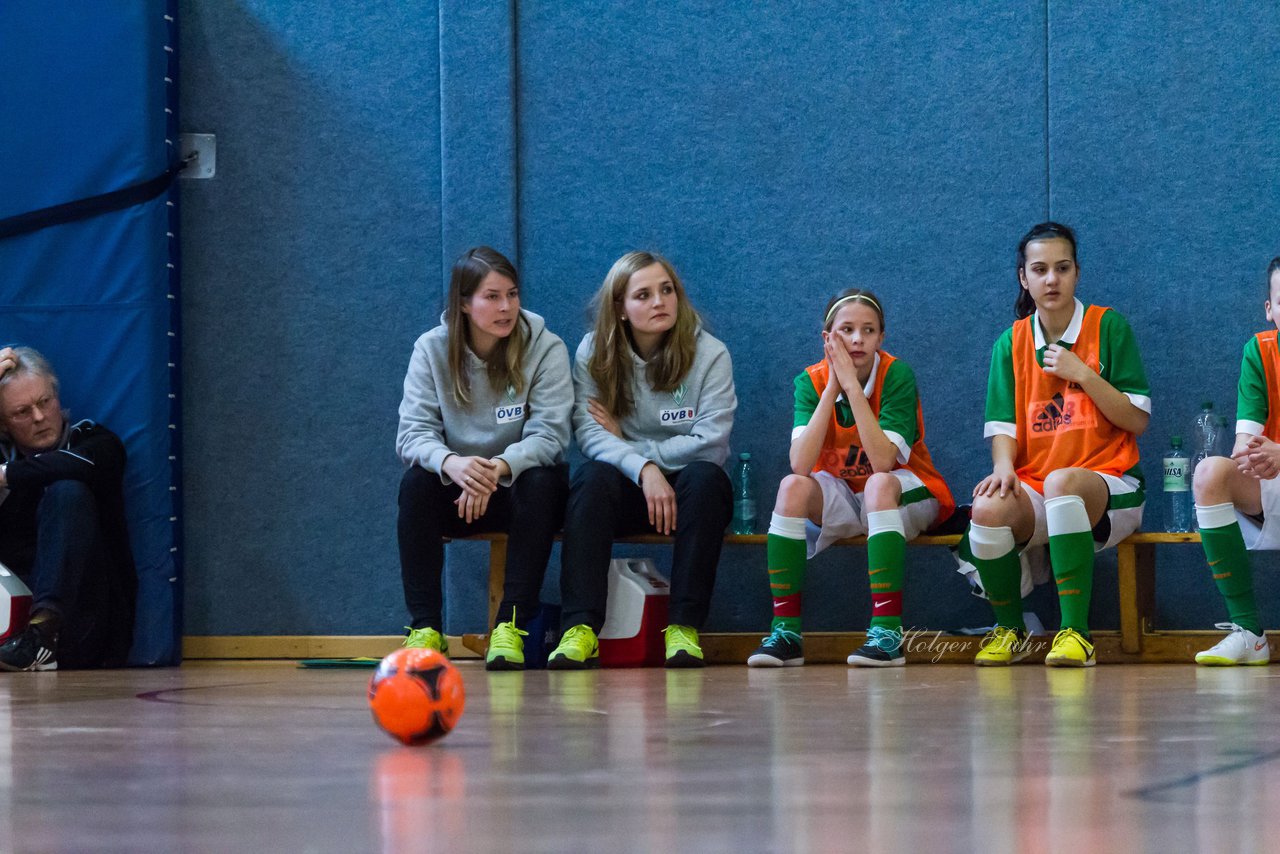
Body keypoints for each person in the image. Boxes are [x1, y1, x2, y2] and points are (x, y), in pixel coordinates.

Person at [956, 222, 1151, 667]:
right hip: (1041, 485)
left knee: (1064, 481)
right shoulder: (1011, 341)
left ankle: (1075, 634)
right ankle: (1009, 629)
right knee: (988, 508)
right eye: (1039, 269)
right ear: (1024, 277)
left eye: (1062, 268)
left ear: (1077, 273)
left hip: (1112, 484)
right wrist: (1003, 467)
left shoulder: (1109, 326)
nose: (1051, 279)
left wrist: (1083, 374)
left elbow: (1136, 419)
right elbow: (1003, 427)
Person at [747, 289, 955, 668]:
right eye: (846, 330)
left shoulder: (896, 375)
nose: (858, 339)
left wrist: (854, 390)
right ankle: (786, 632)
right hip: (848, 495)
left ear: (881, 338)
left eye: (868, 330)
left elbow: (881, 462)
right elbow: (800, 464)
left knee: (877, 484)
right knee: (791, 487)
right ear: (828, 338)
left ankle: (888, 634)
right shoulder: (809, 381)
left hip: (906, 490)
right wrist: (832, 387)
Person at [549, 251, 736, 669]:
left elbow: (711, 441)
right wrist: (644, 468)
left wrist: (634, 447)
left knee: (707, 479)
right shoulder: (594, 352)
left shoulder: (710, 354)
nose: (659, 302)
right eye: (644, 294)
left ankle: (684, 629)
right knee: (590, 478)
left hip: (686, 492)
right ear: (620, 307)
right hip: (627, 488)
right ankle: (579, 629)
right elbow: (590, 433)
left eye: (666, 290)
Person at [396, 246, 572, 671]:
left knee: (544, 480)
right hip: (457, 487)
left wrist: (496, 470)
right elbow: (412, 435)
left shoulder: (544, 347)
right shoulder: (431, 349)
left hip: (519, 491)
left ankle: (510, 625)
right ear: (463, 303)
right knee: (416, 484)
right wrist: (453, 464)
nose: (506, 307)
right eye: (492, 296)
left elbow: (551, 434)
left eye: (512, 294)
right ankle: (426, 630)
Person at [0, 346, 136, 670]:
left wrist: (6, 476)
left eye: (45, 402)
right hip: (9, 614)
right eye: (21, 412)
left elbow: (79, 466)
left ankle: (40, 635)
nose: (39, 417)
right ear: (3, 426)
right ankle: (23, 645)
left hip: (81, 626)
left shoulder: (95, 442)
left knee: (66, 490)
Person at [1188, 256, 1280, 666]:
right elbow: (1246, 441)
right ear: (1270, 309)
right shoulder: (1260, 352)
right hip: (1273, 483)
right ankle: (1249, 633)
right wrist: (1250, 456)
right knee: (1211, 472)